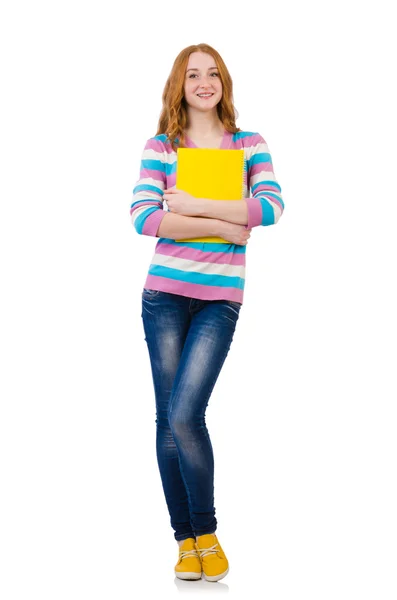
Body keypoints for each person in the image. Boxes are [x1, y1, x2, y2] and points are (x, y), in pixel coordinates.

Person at [130, 43, 284, 582]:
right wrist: (223, 225)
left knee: (184, 414)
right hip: (163, 296)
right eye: (193, 74)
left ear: (224, 82)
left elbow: (269, 207)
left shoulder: (249, 144)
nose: (204, 82)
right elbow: (144, 218)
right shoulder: (162, 147)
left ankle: (207, 530)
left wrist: (191, 206)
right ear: (180, 83)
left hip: (220, 299)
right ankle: (186, 541)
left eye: (212, 73)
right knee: (167, 419)